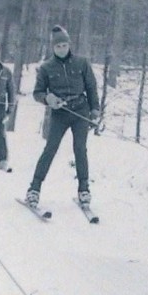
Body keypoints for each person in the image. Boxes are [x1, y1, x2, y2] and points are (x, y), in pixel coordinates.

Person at [25, 26, 100, 207]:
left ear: (69, 45)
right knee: (50, 148)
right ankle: (34, 189)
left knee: (80, 149)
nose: (61, 49)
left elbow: (91, 87)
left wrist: (95, 109)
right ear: (53, 48)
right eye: (58, 46)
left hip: (80, 111)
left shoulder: (82, 63)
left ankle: (84, 190)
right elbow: (37, 92)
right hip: (60, 113)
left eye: (64, 45)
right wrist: (48, 98)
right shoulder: (46, 67)